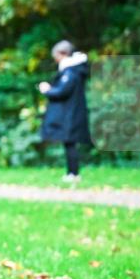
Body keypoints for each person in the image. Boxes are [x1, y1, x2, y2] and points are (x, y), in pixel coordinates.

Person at [38, 40, 90, 183]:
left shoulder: (71, 73)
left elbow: (62, 92)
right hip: (70, 114)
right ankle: (71, 173)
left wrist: (47, 90)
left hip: (71, 115)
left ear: (63, 54)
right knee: (69, 144)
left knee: (70, 144)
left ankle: (73, 174)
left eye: (56, 56)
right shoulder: (74, 71)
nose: (55, 59)